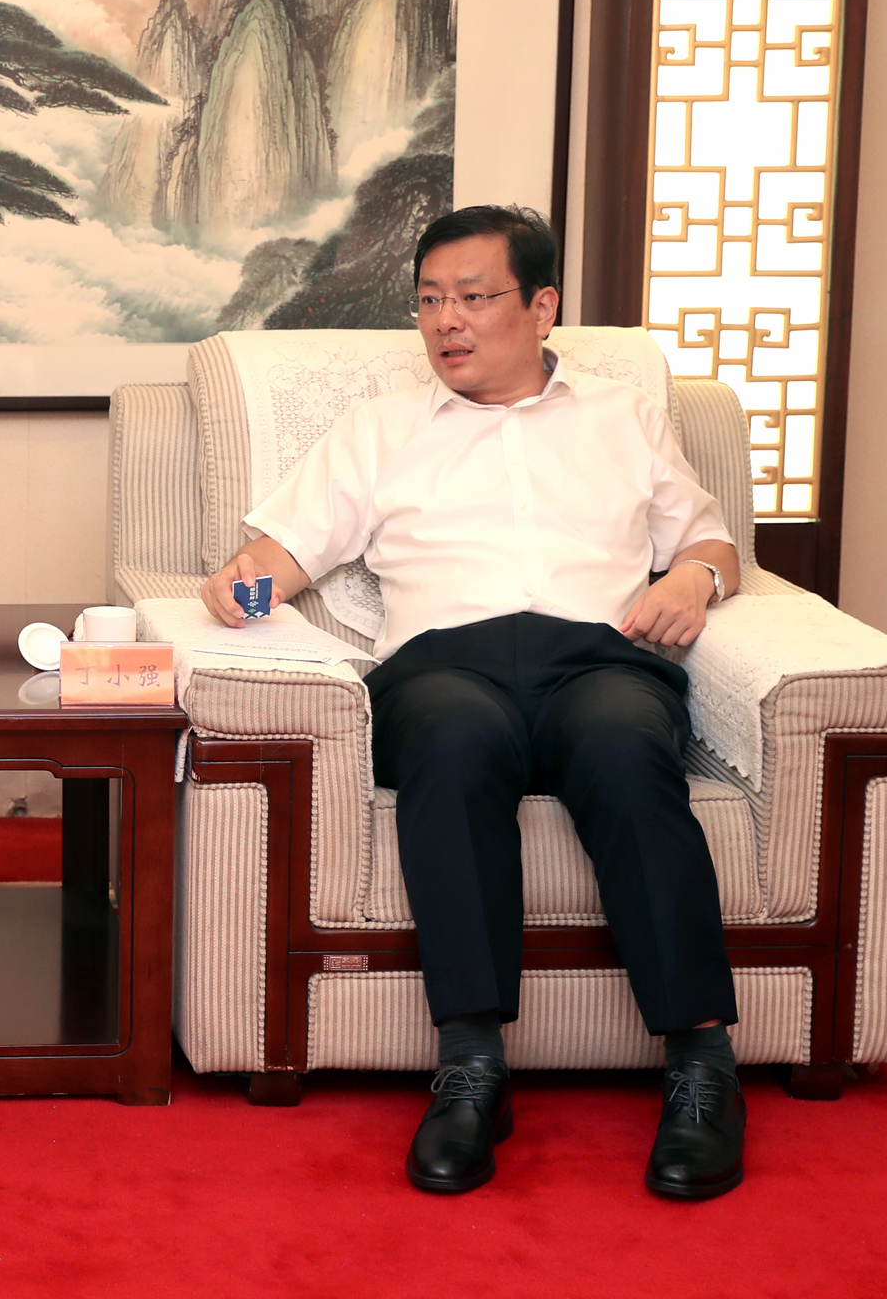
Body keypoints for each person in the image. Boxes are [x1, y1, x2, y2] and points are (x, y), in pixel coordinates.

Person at [200, 206, 746, 1200]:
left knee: (628, 749)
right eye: (428, 301)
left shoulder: (622, 416)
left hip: (597, 664)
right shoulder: (381, 429)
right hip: (444, 669)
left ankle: (702, 1065)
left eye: (472, 297)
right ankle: (470, 1068)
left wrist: (693, 579)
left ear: (540, 307)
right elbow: (280, 554)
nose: (446, 320)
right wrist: (242, 584)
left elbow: (711, 543)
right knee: (452, 744)